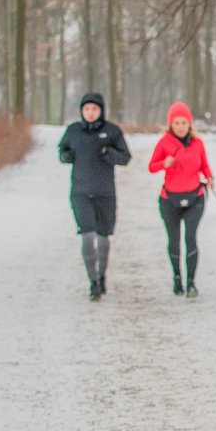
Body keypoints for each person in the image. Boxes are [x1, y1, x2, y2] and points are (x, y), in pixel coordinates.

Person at [58, 92, 131, 301]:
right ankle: (93, 282)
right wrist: (66, 156)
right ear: (82, 111)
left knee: (103, 236)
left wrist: (107, 153)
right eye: (87, 109)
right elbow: (63, 151)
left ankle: (102, 275)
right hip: (81, 192)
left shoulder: (111, 131)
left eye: (95, 109)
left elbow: (125, 158)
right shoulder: (73, 131)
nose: (90, 113)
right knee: (87, 236)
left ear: (101, 111)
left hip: (105, 193)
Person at [148, 101, 213, 297]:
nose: (180, 126)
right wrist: (164, 163)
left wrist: (209, 177)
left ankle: (191, 282)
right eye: (176, 122)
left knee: (190, 238)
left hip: (195, 197)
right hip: (169, 199)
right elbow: (152, 166)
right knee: (174, 240)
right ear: (170, 124)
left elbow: (204, 165)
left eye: (184, 122)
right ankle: (177, 278)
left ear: (189, 124)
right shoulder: (164, 143)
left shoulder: (198, 143)